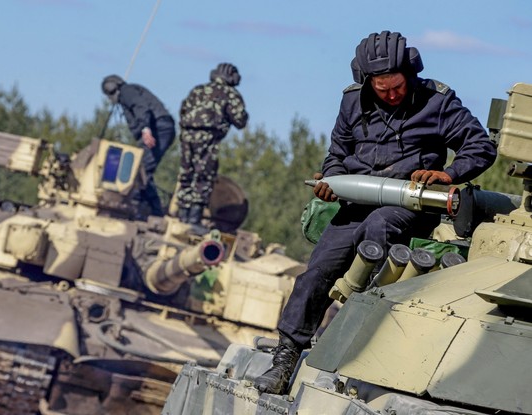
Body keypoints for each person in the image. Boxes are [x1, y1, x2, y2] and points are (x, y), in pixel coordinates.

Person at [254, 30, 497, 395]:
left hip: (409, 206)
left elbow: (480, 147)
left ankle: (363, 326)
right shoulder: (352, 102)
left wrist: (448, 174)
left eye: (397, 87)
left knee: (378, 226)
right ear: (367, 81)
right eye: (382, 90)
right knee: (316, 271)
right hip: (354, 204)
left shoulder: (437, 102)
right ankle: (285, 358)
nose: (392, 95)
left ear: (409, 73)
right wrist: (331, 181)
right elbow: (337, 154)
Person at [176, 63, 249, 225]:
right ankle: (193, 219)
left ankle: (182, 215)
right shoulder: (230, 94)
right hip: (208, 136)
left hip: (187, 134)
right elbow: (240, 120)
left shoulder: (198, 90)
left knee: (186, 172)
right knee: (204, 175)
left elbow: (183, 110)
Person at [101, 74, 176, 218]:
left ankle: (149, 209)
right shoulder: (127, 94)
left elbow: (141, 107)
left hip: (157, 128)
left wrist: (146, 128)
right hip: (159, 127)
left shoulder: (126, 91)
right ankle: (149, 207)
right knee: (142, 169)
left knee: (140, 169)